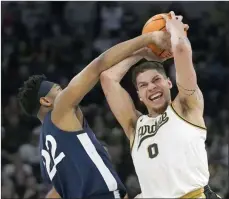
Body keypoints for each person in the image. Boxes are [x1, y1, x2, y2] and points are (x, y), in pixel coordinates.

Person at [17, 30, 170, 199]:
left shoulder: (45, 154)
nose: (66, 91)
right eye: (60, 90)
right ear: (46, 101)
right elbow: (99, 65)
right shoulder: (60, 109)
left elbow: (54, 195)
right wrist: (147, 41)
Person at [100, 11, 221, 198]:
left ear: (169, 83)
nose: (151, 88)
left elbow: (182, 50)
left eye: (156, 80)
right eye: (143, 85)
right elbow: (108, 78)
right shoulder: (135, 126)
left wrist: (176, 33)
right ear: (139, 95)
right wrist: (143, 51)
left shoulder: (186, 106)